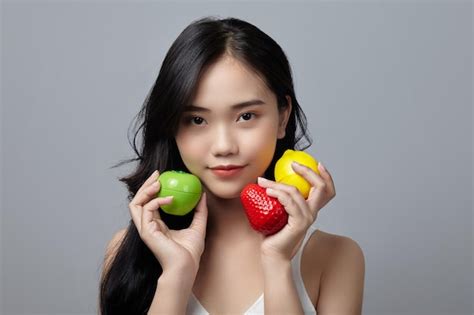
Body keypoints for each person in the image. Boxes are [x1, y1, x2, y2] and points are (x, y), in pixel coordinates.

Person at [99, 16, 365, 315]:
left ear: (283, 116)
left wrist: (278, 263)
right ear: (173, 126)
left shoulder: (337, 257)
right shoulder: (126, 252)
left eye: (246, 116)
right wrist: (175, 275)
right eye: (197, 120)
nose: (224, 146)